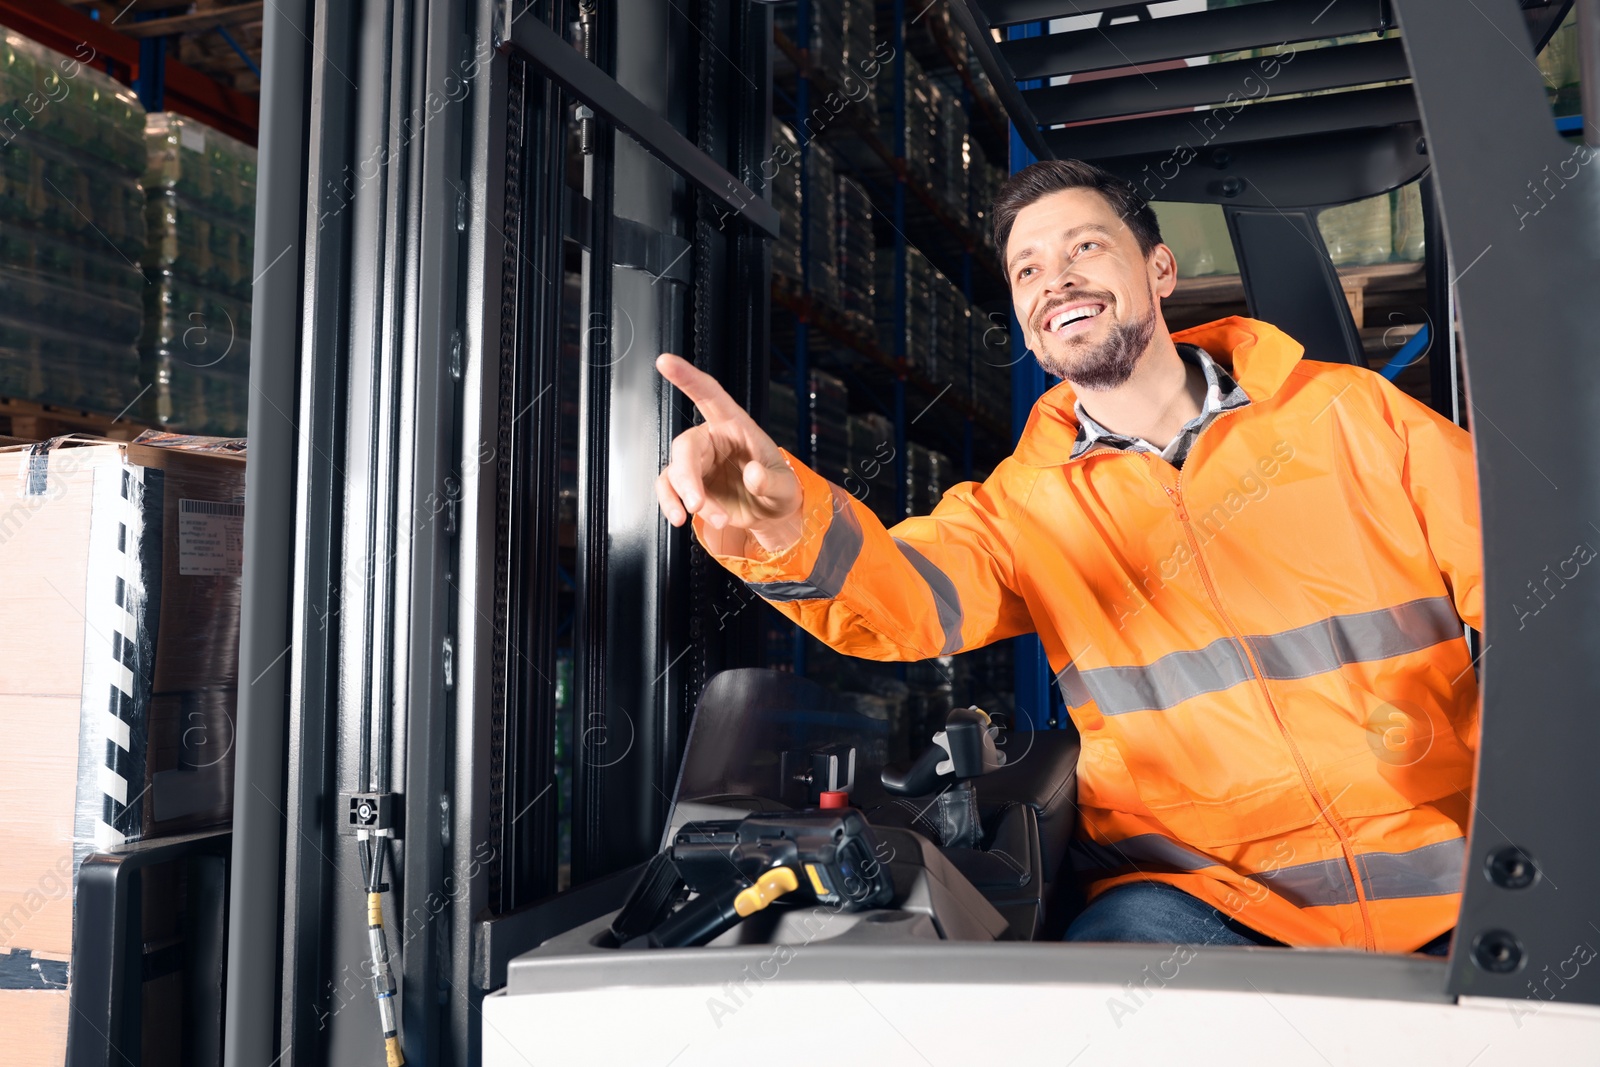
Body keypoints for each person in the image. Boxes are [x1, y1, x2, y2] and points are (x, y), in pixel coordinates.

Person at [653, 159, 1479, 955]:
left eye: (1085, 247)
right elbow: (907, 600)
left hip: (1450, 866)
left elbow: (1526, 582)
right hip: (1202, 898)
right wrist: (785, 519)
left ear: (1159, 270)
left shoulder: (1354, 415)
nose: (1056, 280)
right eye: (1027, 270)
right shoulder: (1022, 505)